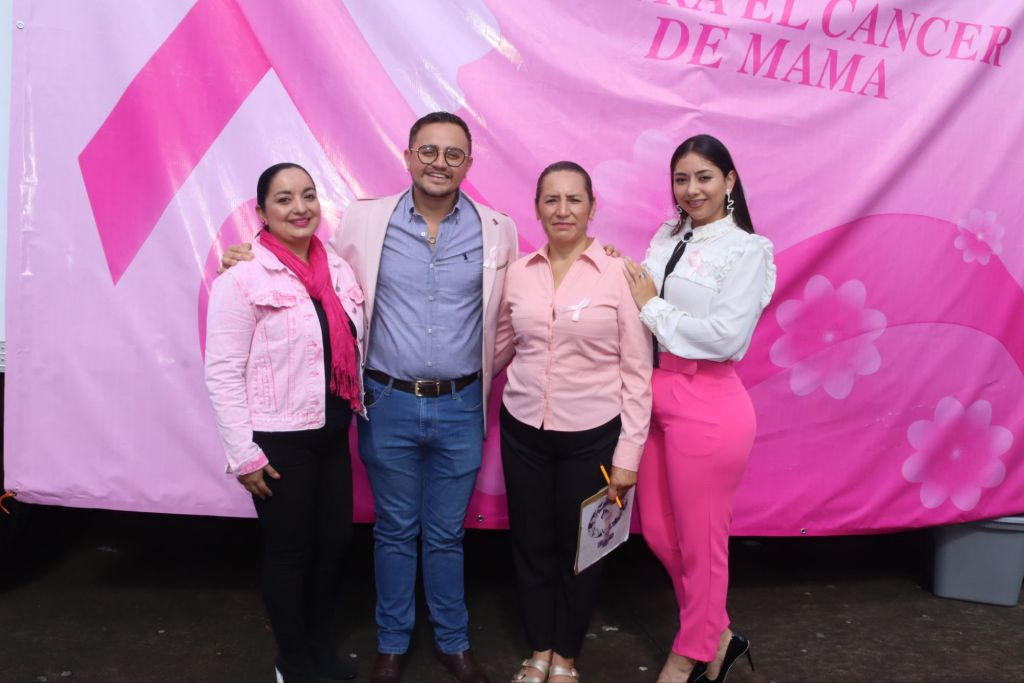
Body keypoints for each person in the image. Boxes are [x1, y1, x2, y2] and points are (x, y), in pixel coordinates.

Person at [221, 113, 518, 683]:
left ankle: (453, 643)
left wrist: (474, 371)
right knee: (394, 530)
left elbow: (507, 315)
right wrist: (247, 255)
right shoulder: (365, 220)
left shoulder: (497, 229)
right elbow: (310, 270)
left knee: (447, 534)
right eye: (427, 150)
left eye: (452, 153)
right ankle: (392, 644)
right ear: (407, 156)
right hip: (387, 403)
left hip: (461, 406)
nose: (439, 162)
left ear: (468, 164)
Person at [622, 135, 776, 683]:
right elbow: (635, 294)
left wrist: (652, 308)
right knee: (659, 533)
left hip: (710, 401)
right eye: (681, 179)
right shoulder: (667, 235)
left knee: (702, 542)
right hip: (656, 392)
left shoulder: (748, 250)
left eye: (704, 177)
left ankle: (688, 655)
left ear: (729, 181)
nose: (691, 190)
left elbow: (724, 337)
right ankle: (722, 636)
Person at [205, 163, 364, 682]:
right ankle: (292, 664)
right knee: (290, 552)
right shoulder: (242, 277)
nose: (300, 208)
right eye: (284, 199)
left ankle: (319, 650)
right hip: (279, 442)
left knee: (333, 546)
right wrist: (244, 455)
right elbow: (223, 371)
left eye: (308, 195)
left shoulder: (337, 268)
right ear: (262, 211)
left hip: (333, 434)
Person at [496, 162, 653, 683]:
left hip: (593, 435)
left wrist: (628, 456)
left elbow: (638, 372)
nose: (562, 210)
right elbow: (500, 346)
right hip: (523, 429)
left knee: (584, 548)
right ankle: (539, 648)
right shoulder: (518, 273)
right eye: (551, 200)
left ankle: (565, 655)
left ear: (592, 207)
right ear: (537, 208)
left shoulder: (620, 274)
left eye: (574, 199)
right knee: (531, 543)